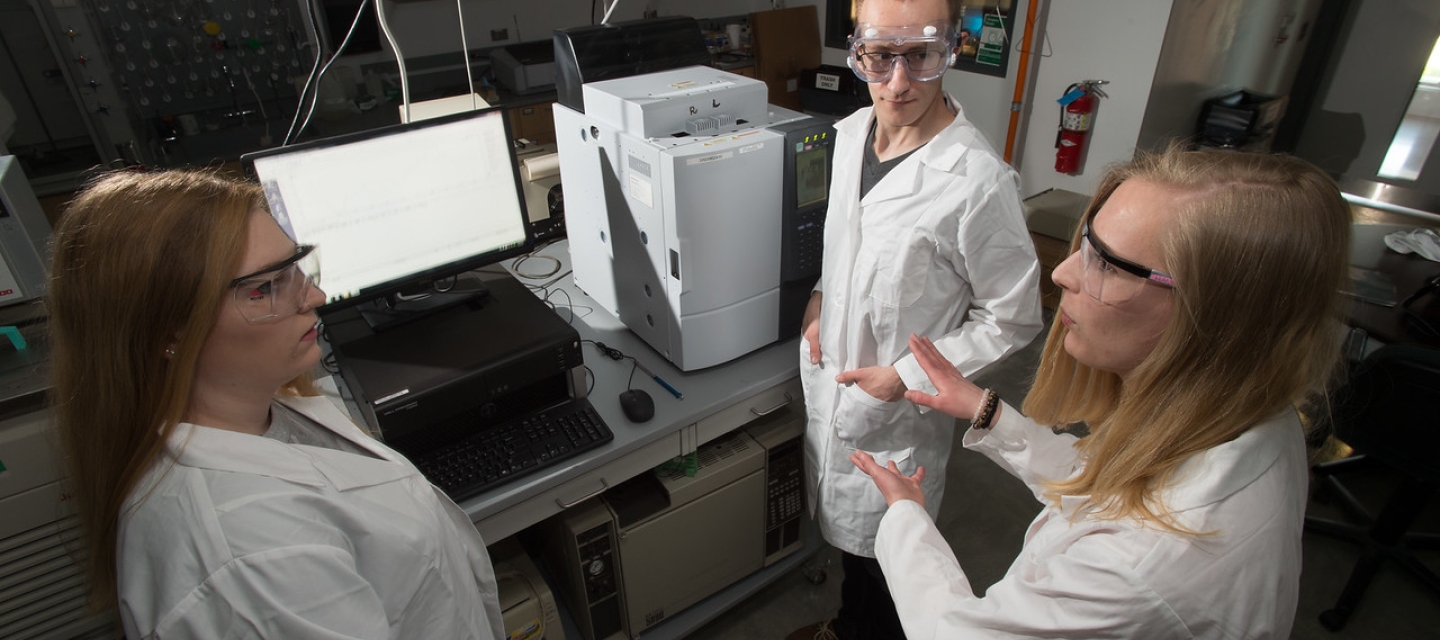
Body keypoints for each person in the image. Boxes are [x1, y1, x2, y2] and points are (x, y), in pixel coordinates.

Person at [851, 146, 1351, 639]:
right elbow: (1113, 489)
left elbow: (953, 634)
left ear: (1215, 316)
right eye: (1087, 245)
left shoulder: (1137, 568)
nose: (1062, 272)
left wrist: (905, 517)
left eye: (1109, 265)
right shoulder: (1254, 416)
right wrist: (987, 412)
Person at [49, 170, 505, 639]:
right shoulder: (247, 551)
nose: (315, 297)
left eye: (294, 269)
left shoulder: (262, 403)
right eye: (263, 288)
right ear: (168, 332)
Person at [792, 0, 1043, 637]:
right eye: (879, 57)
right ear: (856, 51)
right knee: (857, 554)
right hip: (836, 384)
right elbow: (848, 248)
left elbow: (1012, 317)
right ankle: (848, 626)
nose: (898, 82)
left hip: (897, 409)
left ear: (952, 50)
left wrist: (903, 376)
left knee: (892, 562)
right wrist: (822, 297)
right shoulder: (848, 136)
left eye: (921, 57)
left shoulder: (978, 182)